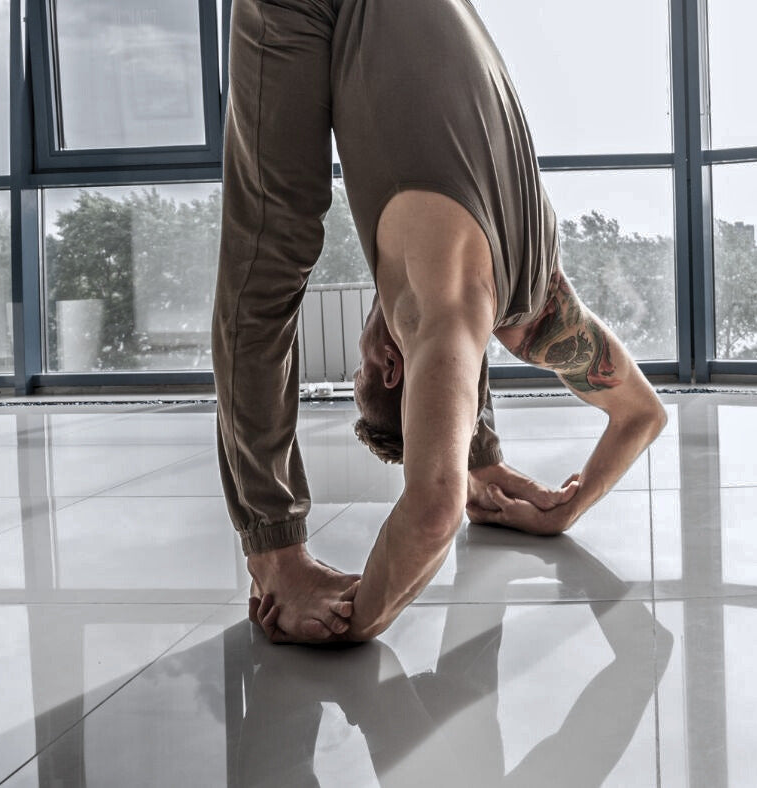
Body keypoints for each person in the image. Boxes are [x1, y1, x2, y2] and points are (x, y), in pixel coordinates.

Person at [212, 0, 667, 645]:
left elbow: (641, 415)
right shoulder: (436, 313)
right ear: (393, 362)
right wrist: (355, 620)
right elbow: (432, 510)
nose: (360, 353)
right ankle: (274, 554)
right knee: (266, 263)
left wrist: (565, 507)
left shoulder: (539, 309)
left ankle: (276, 546)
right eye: (361, 371)